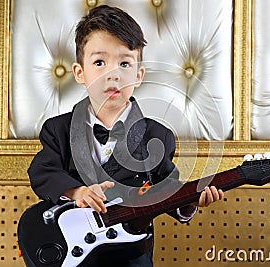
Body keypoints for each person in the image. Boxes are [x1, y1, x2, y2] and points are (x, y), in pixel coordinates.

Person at [28, 5, 224, 267]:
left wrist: (190, 203)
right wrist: (77, 192)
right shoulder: (58, 129)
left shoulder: (158, 135)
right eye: (99, 62)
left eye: (124, 63)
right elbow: (42, 172)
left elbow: (169, 188)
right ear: (79, 72)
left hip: (132, 254)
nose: (113, 73)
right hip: (73, 249)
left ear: (139, 74)